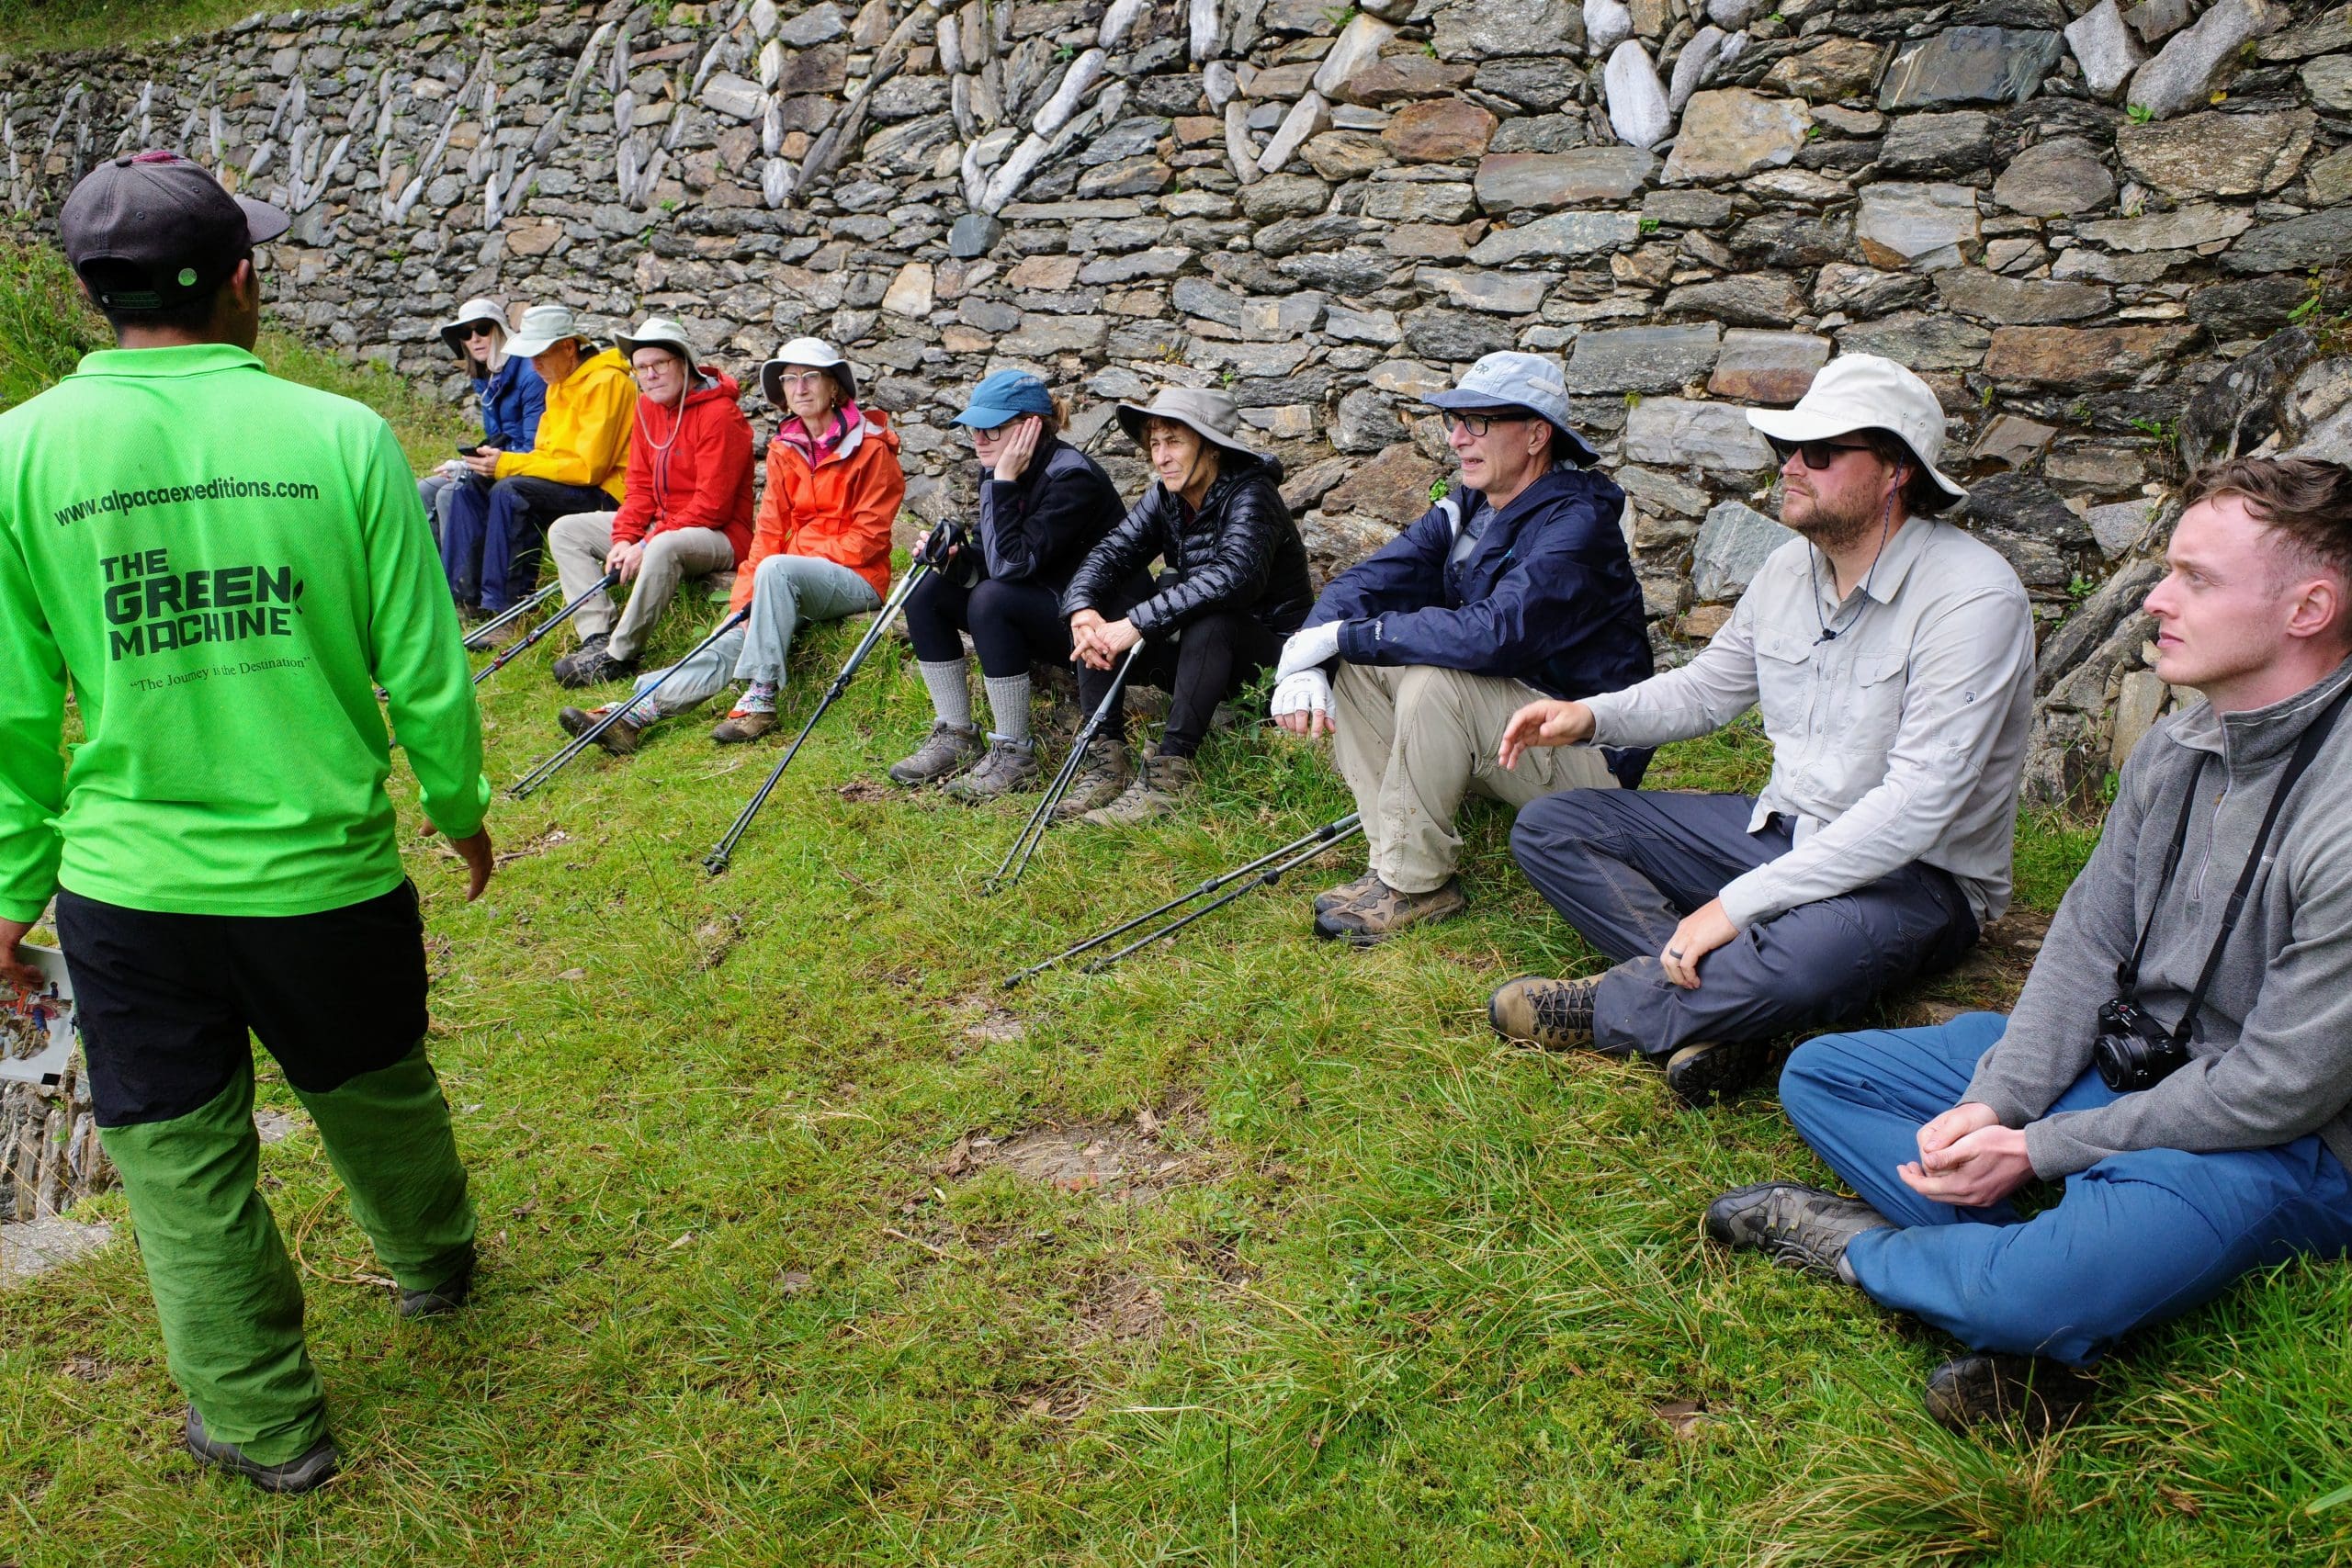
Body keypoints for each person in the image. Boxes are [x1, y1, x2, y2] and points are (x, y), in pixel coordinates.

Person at [0, 152, 492, 1494]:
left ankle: (265, 1424)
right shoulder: (341, 436)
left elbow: (12, 706)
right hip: (323, 875)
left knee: (175, 1153)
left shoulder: (19, 451)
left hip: (128, 889)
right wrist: (458, 809)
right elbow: (424, 664)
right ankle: (435, 1260)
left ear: (94, 296)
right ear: (240, 281)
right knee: (378, 1084)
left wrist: (13, 885)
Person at [1706, 457, 2352, 1433]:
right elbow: (2089, 937)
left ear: (2308, 609)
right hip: (2130, 1069)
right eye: (2166, 572)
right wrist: (1997, 1103)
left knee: (2032, 1290)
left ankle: (1878, 1252)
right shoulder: (2177, 748)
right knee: (1826, 1075)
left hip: (2272, 1141)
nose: (2155, 602)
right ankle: (2061, 1256)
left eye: (2195, 578)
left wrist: (2041, 1147)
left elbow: (2280, 1088)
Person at [1488, 354, 2035, 1105]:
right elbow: (1709, 688)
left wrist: (1734, 906)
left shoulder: (1973, 597)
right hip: (1780, 834)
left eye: (1821, 452)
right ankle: (1728, 1009)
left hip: (1916, 877)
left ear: (1897, 471)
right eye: (1788, 448)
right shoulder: (1788, 570)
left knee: (1808, 957)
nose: (1792, 467)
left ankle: (1615, 1007)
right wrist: (1592, 716)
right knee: (1554, 826)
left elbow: (1916, 807)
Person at [1268, 351, 1654, 944]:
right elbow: (1371, 580)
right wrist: (1311, 655)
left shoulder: (1578, 524)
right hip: (1510, 733)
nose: (1456, 438)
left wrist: (1344, 634)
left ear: (1536, 436)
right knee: (1359, 665)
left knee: (1436, 678)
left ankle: (1417, 885)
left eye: (1478, 422)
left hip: (1589, 757)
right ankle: (1391, 857)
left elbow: (1493, 634)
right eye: (1455, 421)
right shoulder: (1473, 505)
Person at [558, 337, 902, 752]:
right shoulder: (785, 448)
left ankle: (762, 696)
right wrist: (743, 602)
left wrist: (785, 570)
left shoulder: (871, 448)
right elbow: (768, 533)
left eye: (812, 377)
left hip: (857, 578)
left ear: (835, 387)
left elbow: (868, 541)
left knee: (776, 570)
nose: (800, 388)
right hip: (787, 578)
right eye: (789, 379)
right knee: (734, 632)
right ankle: (633, 713)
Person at [1053, 388, 1314, 824]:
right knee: (1103, 607)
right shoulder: (1166, 497)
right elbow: (1110, 553)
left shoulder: (1253, 495)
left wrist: (1136, 624)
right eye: (1155, 443)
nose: (1161, 457)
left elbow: (1234, 578)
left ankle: (1169, 776)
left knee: (1213, 617)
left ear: (1211, 447)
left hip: (1270, 662)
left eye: (1174, 442)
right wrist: (1082, 610)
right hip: (1200, 659)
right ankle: (1106, 759)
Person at [888, 369, 1126, 799]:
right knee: (927, 591)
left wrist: (1002, 483)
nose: (979, 439)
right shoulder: (999, 469)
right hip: (1037, 604)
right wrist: (954, 561)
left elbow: (1013, 566)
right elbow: (991, 556)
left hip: (1088, 626)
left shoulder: (1073, 478)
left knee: (991, 598)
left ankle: (1015, 753)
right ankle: (956, 734)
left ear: (1031, 427)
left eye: (992, 428)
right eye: (974, 429)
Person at [546, 317, 753, 688]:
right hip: (663, 526)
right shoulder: (646, 408)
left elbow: (713, 506)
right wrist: (625, 537)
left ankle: (619, 655)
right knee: (566, 530)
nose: (650, 375)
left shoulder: (721, 415)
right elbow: (639, 486)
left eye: (660, 364)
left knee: (663, 545)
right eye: (641, 368)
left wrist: (646, 542)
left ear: (684, 363)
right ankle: (596, 636)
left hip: (720, 535)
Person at [438, 303, 634, 620]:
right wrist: (500, 463)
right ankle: (463, 598)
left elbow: (588, 469)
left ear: (568, 347)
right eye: (530, 355)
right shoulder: (558, 384)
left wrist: (509, 465)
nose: (534, 364)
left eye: (541, 354)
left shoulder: (606, 383)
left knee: (512, 492)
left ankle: (509, 610)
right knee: (473, 486)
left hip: (608, 492)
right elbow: (546, 453)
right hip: (570, 483)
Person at [414, 297, 544, 545]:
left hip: (525, 471)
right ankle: (435, 568)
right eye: (466, 333)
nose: (475, 338)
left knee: (450, 494)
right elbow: (498, 439)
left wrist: (476, 467)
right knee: (425, 489)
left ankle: (460, 569)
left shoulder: (530, 375)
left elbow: (534, 447)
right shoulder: (486, 377)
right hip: (500, 462)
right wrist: (467, 463)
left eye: (483, 329)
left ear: (500, 331)